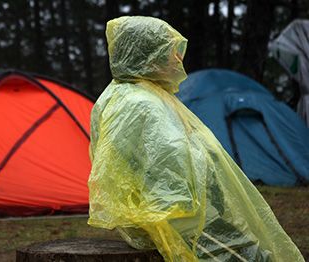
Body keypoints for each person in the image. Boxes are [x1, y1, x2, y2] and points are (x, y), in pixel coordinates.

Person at [87, 16, 304, 262]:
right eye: (169, 50)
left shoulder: (116, 95)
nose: (178, 58)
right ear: (147, 53)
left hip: (163, 218)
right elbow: (172, 164)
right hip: (181, 222)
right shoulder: (143, 102)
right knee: (257, 258)